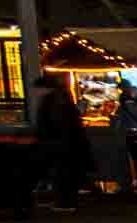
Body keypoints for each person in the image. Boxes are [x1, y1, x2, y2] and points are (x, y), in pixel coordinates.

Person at [32, 73, 92, 212]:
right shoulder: (62, 98)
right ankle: (68, 200)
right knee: (67, 173)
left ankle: (66, 202)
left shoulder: (53, 101)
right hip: (68, 144)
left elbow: (55, 124)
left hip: (60, 144)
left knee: (63, 173)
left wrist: (46, 138)